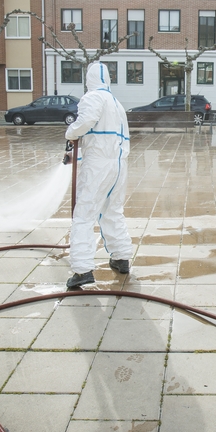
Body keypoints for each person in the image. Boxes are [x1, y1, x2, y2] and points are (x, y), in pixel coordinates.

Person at [64, 61, 132, 289]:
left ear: (89, 80)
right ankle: (121, 258)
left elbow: (84, 124)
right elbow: (107, 135)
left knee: (84, 215)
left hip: (99, 166)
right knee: (112, 211)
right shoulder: (116, 103)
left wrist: (70, 132)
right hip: (119, 165)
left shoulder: (92, 97)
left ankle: (82, 269)